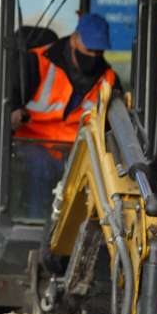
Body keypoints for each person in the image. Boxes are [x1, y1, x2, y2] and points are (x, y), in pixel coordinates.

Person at [10, 13, 120, 218]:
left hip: (78, 153)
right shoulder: (36, 63)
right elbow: (9, 100)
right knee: (41, 167)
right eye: (90, 49)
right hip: (32, 144)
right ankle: (36, 223)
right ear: (74, 40)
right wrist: (14, 112)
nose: (95, 56)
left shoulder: (109, 79)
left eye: (99, 51)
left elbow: (113, 124)